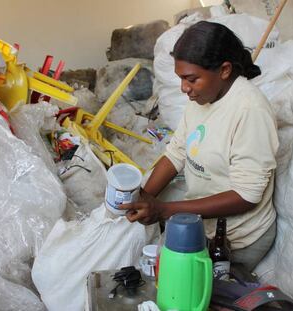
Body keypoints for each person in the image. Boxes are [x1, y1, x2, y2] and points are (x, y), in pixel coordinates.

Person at [120, 21, 279, 271]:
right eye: (181, 79)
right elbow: (177, 152)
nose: (184, 88)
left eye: (191, 79)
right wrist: (144, 197)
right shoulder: (203, 96)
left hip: (237, 239)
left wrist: (164, 211)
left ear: (224, 70)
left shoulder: (250, 110)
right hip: (203, 227)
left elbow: (246, 195)